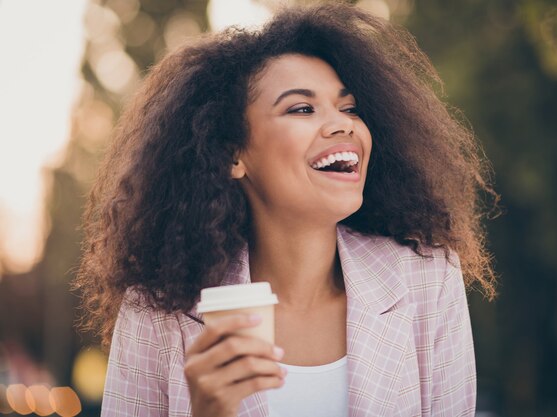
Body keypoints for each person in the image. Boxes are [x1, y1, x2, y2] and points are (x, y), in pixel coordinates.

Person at [75, 2, 497, 416]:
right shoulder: (157, 314)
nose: (342, 123)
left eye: (349, 108)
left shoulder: (428, 281)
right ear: (232, 154)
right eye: (302, 108)